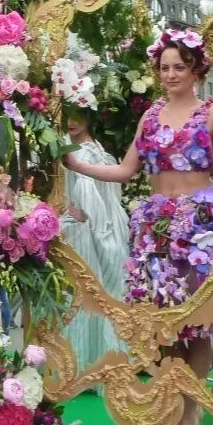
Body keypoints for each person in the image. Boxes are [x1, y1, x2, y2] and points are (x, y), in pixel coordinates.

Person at [63, 29, 213, 425]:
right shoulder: (151, 115)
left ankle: (190, 416)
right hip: (156, 232)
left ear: (196, 69)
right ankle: (177, 404)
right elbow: (123, 171)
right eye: (164, 67)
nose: (171, 74)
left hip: (202, 229)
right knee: (165, 328)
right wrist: (71, 163)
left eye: (179, 66)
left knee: (198, 323)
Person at [60, 105, 131, 373]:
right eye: (67, 114)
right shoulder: (65, 146)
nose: (71, 121)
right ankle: (78, 364)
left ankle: (102, 362)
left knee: (100, 287)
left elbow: (104, 195)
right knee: (80, 289)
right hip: (80, 226)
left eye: (78, 114)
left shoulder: (96, 151)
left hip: (99, 226)